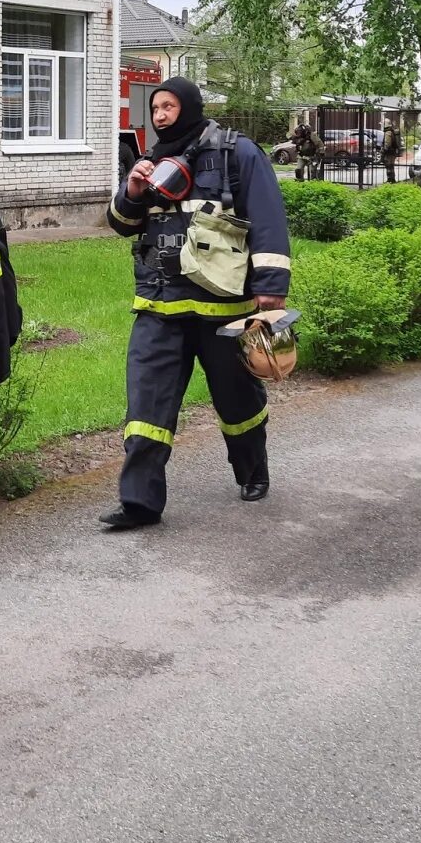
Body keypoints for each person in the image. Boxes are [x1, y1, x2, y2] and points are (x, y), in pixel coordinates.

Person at [102, 78, 292, 529]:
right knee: (146, 406)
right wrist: (131, 190)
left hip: (223, 310)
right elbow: (122, 223)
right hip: (158, 308)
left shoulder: (236, 152)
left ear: (188, 106)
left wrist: (271, 287)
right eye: (156, 108)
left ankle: (253, 472)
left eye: (169, 106)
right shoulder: (149, 162)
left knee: (237, 399)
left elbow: (267, 217)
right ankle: (140, 503)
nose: (161, 115)